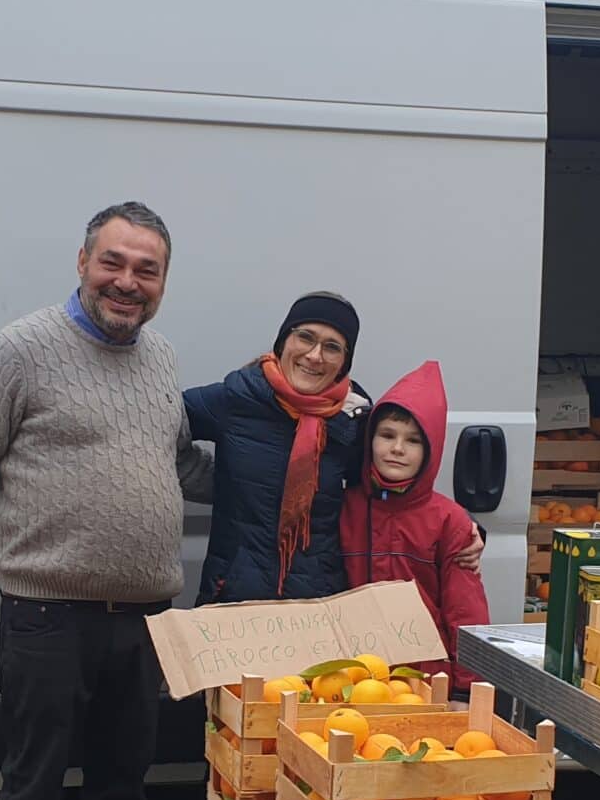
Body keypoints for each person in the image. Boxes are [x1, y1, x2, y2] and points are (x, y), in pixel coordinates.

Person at [0, 201, 209, 800]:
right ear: (83, 263)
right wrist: (10, 553)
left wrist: (292, 472)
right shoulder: (22, 349)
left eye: (148, 270)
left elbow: (181, 463)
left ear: (163, 283)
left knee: (123, 780)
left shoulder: (162, 359)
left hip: (143, 620)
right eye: (113, 262)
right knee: (34, 784)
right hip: (47, 617)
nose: (127, 281)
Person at [182, 292, 367, 604]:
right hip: (233, 601)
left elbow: (389, 495)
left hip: (316, 606)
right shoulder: (237, 398)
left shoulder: (353, 419)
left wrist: (461, 530)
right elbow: (156, 424)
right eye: (305, 337)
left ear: (343, 363)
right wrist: (205, 479)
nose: (315, 355)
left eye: (332, 347)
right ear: (283, 342)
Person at [339, 362, 490, 688]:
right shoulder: (341, 506)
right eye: (387, 435)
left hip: (426, 681)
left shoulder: (450, 521)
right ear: (370, 440)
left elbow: (466, 614)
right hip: (351, 675)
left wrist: (464, 691)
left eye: (413, 441)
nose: (397, 448)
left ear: (431, 451)